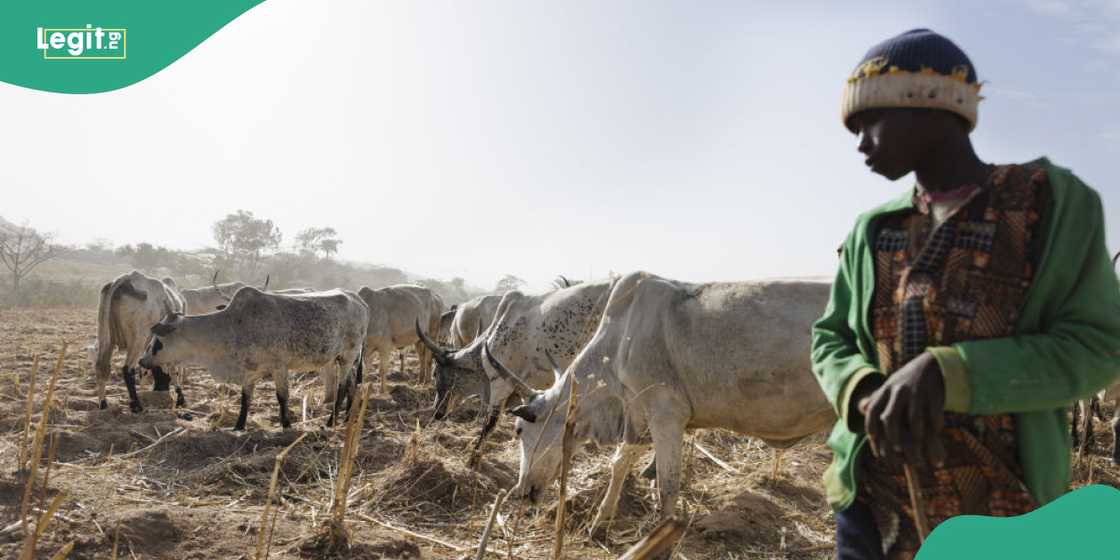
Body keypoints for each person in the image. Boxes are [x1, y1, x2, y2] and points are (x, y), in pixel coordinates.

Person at [811, 28, 1120, 560]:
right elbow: (830, 338)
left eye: (870, 121)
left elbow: (1097, 346)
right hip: (875, 511)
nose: (859, 143)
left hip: (1005, 515)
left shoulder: (1047, 206)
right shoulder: (874, 231)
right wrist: (862, 390)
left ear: (931, 107)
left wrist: (950, 372)